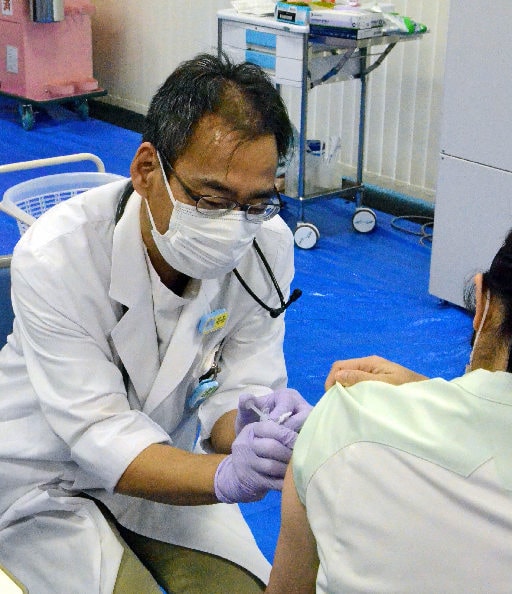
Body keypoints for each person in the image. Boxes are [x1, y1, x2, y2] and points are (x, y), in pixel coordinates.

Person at [0, 53, 312, 594]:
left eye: (256, 203)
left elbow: (235, 389)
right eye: (212, 200)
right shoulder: (58, 256)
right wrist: (226, 476)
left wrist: (254, 429)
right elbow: (100, 435)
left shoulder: (265, 248)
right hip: (43, 480)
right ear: (147, 170)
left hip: (165, 472)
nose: (234, 227)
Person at [266, 229, 512, 593]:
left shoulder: (349, 417)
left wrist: (428, 400)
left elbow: (287, 587)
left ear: (482, 304)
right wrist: (434, 396)